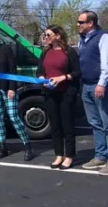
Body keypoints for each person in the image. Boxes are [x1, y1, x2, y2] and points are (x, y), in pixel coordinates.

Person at [77, 10, 108, 175]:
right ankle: (100, 156)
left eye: (81, 22)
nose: (78, 25)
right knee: (95, 124)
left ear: (91, 23)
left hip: (100, 86)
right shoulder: (82, 39)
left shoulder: (105, 38)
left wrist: (101, 84)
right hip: (87, 86)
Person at [0, 26, 33, 161]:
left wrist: (12, 88)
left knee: (13, 117)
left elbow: (12, 69)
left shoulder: (6, 49)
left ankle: (27, 146)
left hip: (7, 88)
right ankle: (2, 148)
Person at [36, 25, 81, 169]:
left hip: (66, 93)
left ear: (58, 36)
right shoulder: (45, 52)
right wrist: (42, 78)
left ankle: (69, 156)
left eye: (48, 35)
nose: (46, 38)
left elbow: (77, 72)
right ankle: (59, 155)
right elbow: (39, 71)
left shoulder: (69, 52)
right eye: (45, 35)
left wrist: (63, 78)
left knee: (67, 125)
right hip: (50, 94)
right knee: (55, 126)